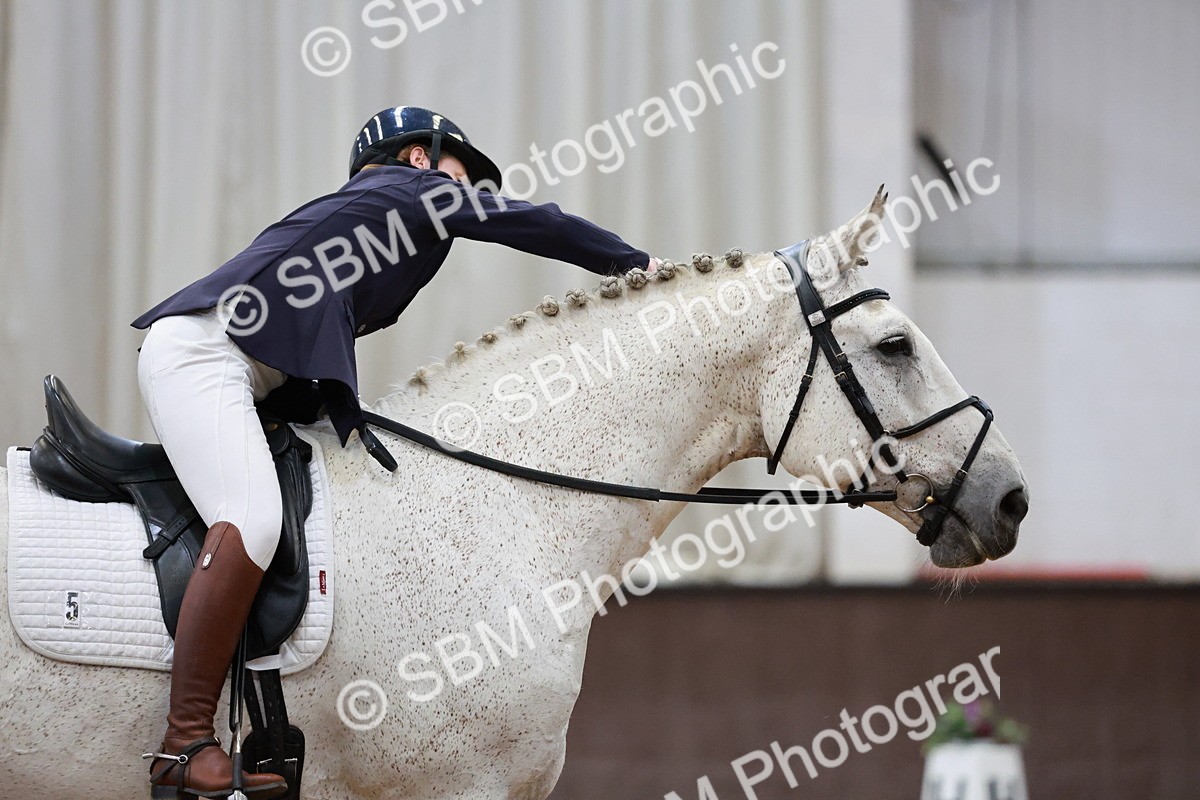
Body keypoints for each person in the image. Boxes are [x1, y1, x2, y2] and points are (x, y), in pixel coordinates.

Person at [131, 105, 655, 798]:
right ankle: (181, 743)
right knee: (252, 519)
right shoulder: (406, 192)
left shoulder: (372, 222)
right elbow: (539, 222)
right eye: (462, 176)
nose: (471, 193)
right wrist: (633, 262)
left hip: (241, 368)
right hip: (203, 356)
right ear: (419, 159)